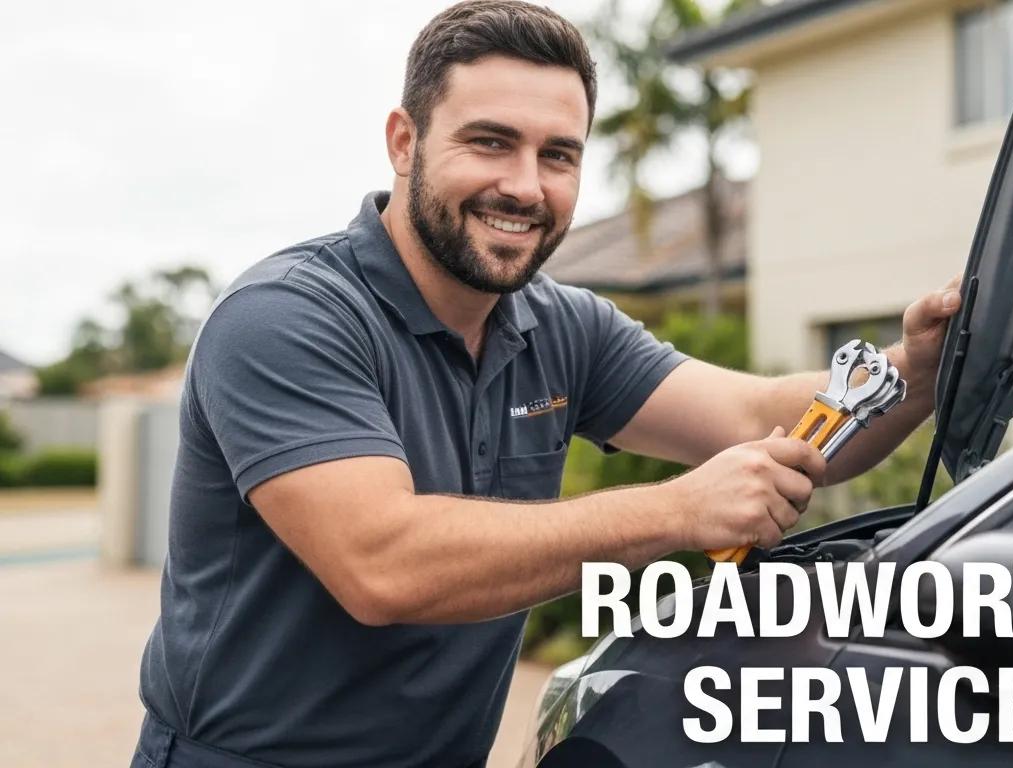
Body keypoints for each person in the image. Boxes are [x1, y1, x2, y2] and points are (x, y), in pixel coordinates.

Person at [128, 1, 962, 766]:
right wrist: (677, 512)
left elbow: (754, 416)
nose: (525, 187)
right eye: (491, 141)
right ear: (405, 142)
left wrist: (915, 372)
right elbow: (382, 564)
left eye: (557, 155)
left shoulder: (560, 325)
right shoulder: (287, 317)